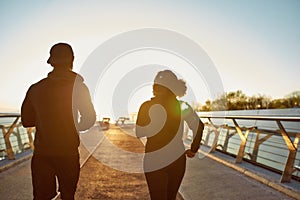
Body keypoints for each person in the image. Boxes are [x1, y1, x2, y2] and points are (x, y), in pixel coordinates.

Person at [21, 43, 96, 200]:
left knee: (41, 197)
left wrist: (45, 119)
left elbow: (27, 121)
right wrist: (71, 127)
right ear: (72, 60)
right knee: (68, 195)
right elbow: (89, 119)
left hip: (42, 153)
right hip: (68, 153)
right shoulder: (79, 88)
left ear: (51, 61)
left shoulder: (35, 88)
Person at [136, 70, 204, 200]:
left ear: (155, 87)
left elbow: (139, 132)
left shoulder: (147, 106)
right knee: (171, 197)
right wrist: (194, 149)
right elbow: (199, 126)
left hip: (154, 159)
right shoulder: (182, 106)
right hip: (176, 158)